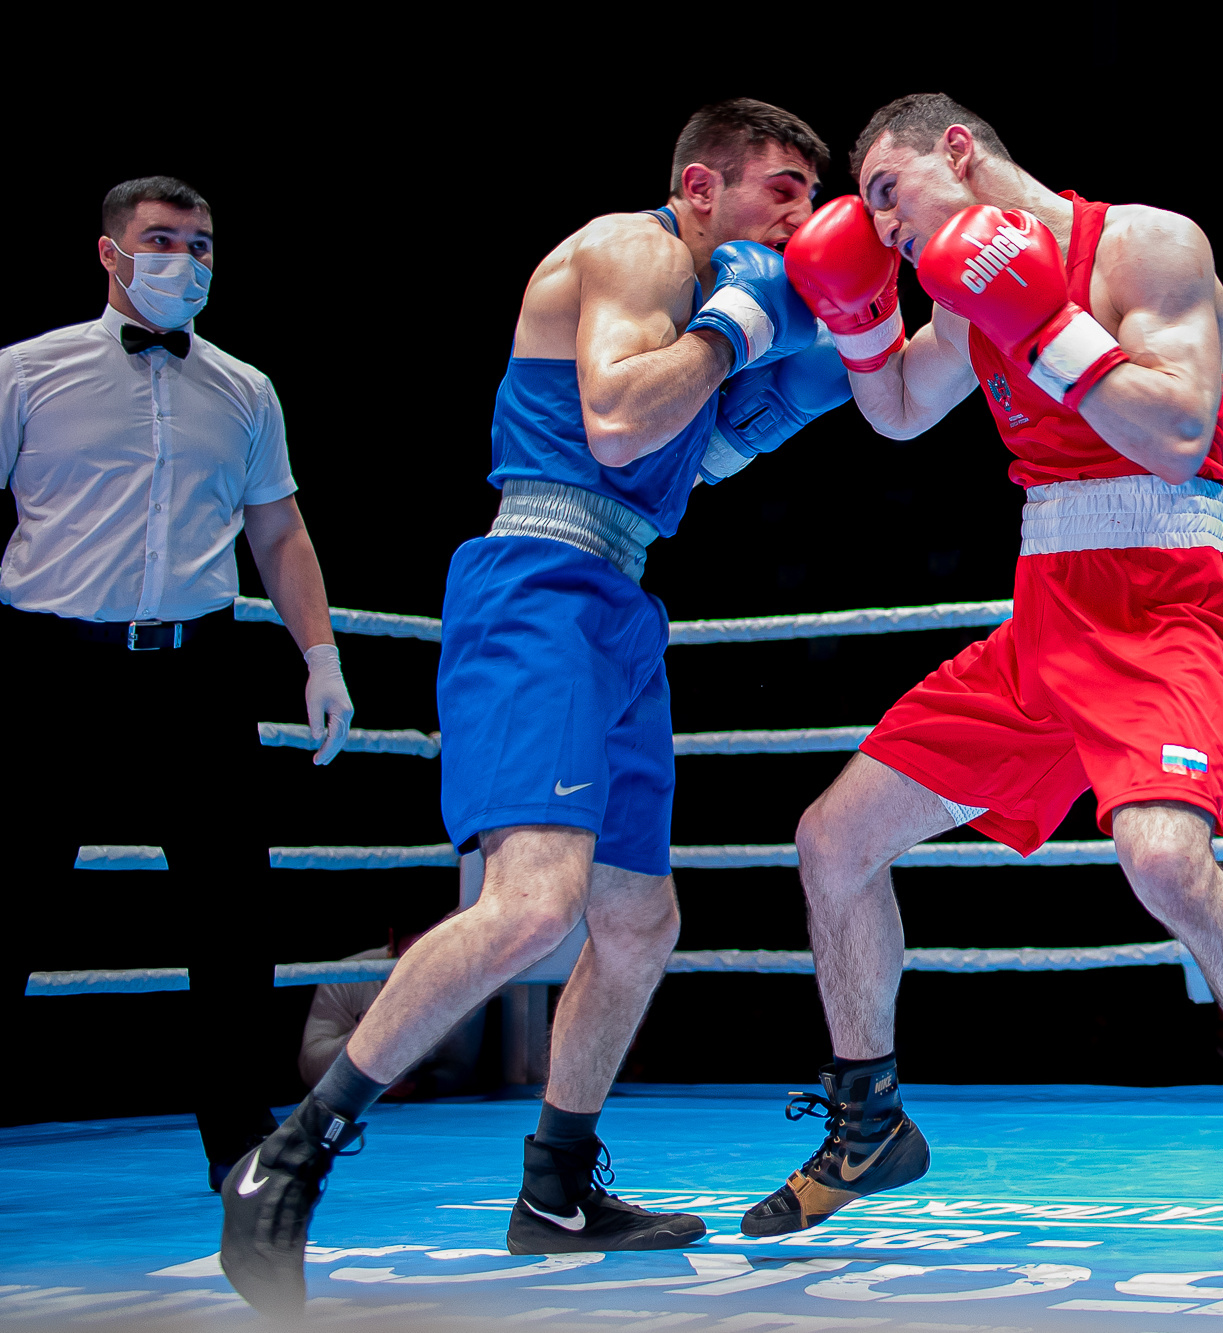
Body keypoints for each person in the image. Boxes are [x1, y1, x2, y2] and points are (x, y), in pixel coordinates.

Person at [220, 99, 850, 1315]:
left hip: (615, 598)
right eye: (780, 186)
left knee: (637, 922)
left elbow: (680, 453)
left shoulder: (704, 296)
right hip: (539, 586)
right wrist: (736, 328)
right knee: (531, 907)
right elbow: (613, 423)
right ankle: (288, 1155)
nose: (798, 214)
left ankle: (555, 1190)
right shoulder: (638, 250)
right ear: (701, 185)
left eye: (808, 195)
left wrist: (779, 381)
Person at [763, 93, 1223, 1277]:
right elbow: (896, 410)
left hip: (1165, 602)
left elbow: (1176, 425)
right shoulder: (953, 286)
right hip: (1044, 615)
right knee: (831, 840)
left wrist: (1041, 317)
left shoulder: (1149, 244)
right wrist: (855, 322)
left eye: (888, 192)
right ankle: (868, 1120)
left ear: (957, 150)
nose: (881, 226)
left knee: (1160, 858)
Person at [0, 175, 353, 1190]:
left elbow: (279, 531)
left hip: (195, 669)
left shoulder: (244, 388)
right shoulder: (24, 373)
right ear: (108, 251)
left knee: (232, 910)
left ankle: (241, 1141)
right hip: (48, 668)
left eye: (202, 246)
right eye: (163, 240)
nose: (186, 261)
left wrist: (319, 654)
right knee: (10, 899)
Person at [297, 916, 482, 1098]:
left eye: (431, 954)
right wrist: (369, 1033)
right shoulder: (347, 975)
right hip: (351, 1107)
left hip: (423, 1112)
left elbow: (461, 1066)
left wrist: (422, 1083)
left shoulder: (463, 978)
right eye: (411, 953)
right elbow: (310, 1069)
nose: (419, 966)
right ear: (392, 939)